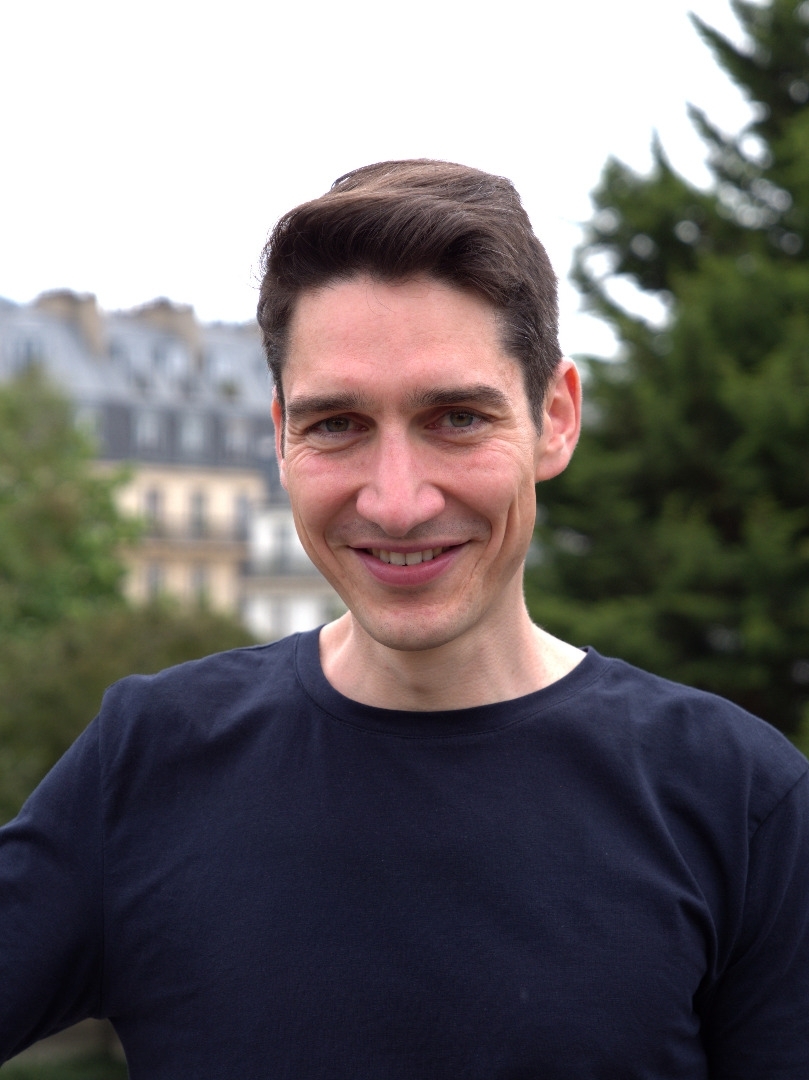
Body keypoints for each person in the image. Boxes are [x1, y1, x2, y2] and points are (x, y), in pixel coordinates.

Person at [1, 159, 807, 1078]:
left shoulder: (739, 801)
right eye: (336, 424)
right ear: (280, 436)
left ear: (555, 418)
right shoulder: (148, 760)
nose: (395, 502)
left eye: (455, 419)